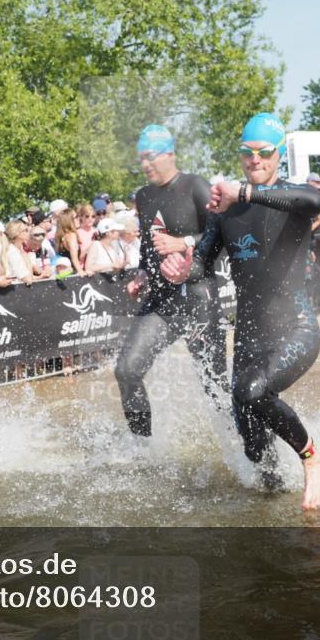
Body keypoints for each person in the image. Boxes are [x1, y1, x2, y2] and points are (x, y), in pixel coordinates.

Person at [159, 112, 320, 510]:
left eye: (264, 152)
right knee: (253, 445)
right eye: (247, 152)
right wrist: (185, 270)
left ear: (278, 154)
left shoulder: (290, 198)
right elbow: (204, 262)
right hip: (250, 336)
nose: (255, 160)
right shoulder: (223, 211)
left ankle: (313, 458)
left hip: (296, 329)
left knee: (252, 390)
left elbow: (315, 201)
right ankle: (274, 511)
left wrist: (245, 194)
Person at [114, 123, 228, 438]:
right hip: (162, 299)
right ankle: (143, 448)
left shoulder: (195, 186)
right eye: (141, 157)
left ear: (170, 154)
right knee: (126, 370)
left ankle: (245, 449)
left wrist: (184, 242)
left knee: (215, 385)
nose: (145, 163)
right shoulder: (144, 196)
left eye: (151, 156)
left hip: (199, 297)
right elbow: (149, 246)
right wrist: (142, 272)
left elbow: (222, 236)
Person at [54, 209, 86, 276]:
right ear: (68, 221)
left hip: (63, 273)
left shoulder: (63, 236)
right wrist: (81, 271)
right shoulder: (72, 236)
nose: (79, 219)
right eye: (76, 217)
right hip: (71, 273)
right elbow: (74, 258)